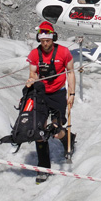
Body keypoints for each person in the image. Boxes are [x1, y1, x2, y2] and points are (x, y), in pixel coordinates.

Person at [26, 21, 76, 184]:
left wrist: (72, 93)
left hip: (58, 94)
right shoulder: (35, 54)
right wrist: (31, 80)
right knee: (38, 132)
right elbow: (33, 73)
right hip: (41, 94)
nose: (45, 43)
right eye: (42, 40)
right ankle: (43, 168)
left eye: (48, 40)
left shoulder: (64, 52)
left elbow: (70, 72)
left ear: (53, 38)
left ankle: (68, 138)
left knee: (55, 129)